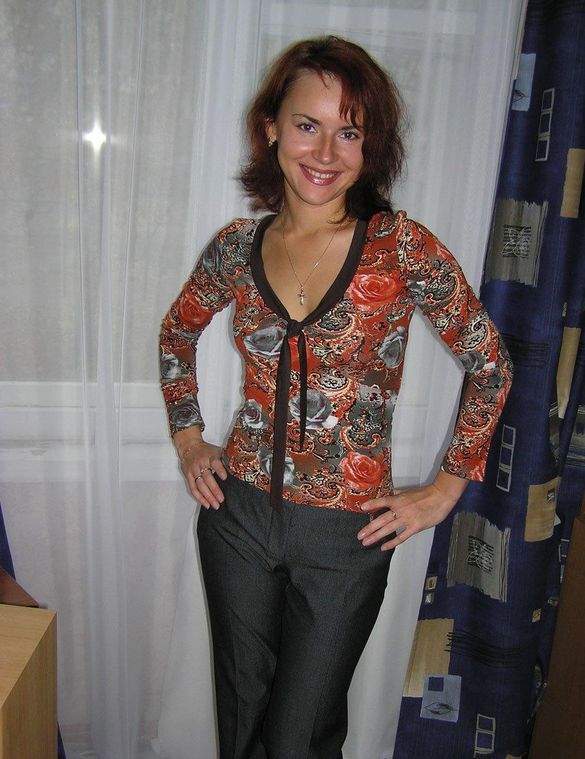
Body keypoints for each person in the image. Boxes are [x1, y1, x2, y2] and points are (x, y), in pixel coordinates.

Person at [160, 36, 513, 759]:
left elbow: (490, 366)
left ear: (369, 145)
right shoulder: (235, 247)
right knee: (242, 717)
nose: (325, 152)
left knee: (301, 734)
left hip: (345, 533)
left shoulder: (400, 247)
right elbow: (177, 333)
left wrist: (444, 490)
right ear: (271, 129)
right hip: (237, 517)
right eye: (306, 125)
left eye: (349, 131)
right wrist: (190, 439)